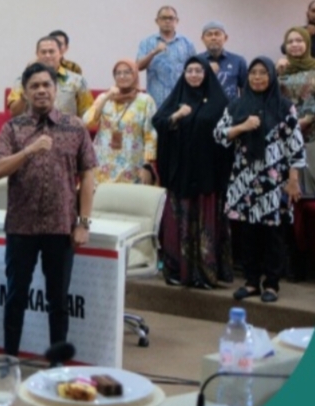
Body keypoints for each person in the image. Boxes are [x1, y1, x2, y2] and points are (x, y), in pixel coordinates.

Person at [0, 63, 96, 358]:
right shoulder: (13, 128)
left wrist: (83, 222)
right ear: (25, 93)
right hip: (21, 226)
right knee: (16, 296)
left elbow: (88, 175)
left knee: (58, 300)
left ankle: (57, 366)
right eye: (34, 86)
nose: (41, 90)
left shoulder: (75, 127)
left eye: (46, 85)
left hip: (61, 226)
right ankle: (9, 360)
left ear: (55, 89)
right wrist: (29, 150)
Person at [216, 58, 305, 303]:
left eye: (263, 73)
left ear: (271, 77)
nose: (257, 77)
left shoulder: (284, 106)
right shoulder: (237, 105)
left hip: (274, 180)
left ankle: (272, 284)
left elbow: (295, 146)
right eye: (253, 73)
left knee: (273, 234)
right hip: (244, 180)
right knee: (248, 233)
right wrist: (242, 126)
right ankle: (251, 282)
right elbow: (219, 135)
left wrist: (293, 180)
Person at [153, 57, 232, 289]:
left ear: (207, 74)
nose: (194, 75)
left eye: (199, 71)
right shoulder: (177, 97)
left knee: (205, 221)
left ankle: (205, 273)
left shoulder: (219, 102)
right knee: (180, 220)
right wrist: (177, 116)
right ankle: (178, 271)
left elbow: (227, 136)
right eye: (190, 70)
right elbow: (158, 121)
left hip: (208, 173)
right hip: (181, 173)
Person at [277, 27, 315, 280]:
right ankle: (289, 263)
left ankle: (308, 264)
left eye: (300, 40)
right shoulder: (279, 73)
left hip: (309, 145)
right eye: (290, 41)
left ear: (308, 43)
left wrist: (292, 129)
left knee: (306, 203)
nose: (295, 45)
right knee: (285, 203)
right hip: (281, 146)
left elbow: (311, 114)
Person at [82, 60, 158, 185]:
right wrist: (107, 97)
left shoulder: (145, 101)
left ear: (135, 74)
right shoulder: (104, 98)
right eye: (118, 73)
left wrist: (148, 164)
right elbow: (87, 122)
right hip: (103, 162)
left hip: (132, 163)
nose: (122, 76)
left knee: (127, 196)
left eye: (127, 72)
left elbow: (151, 135)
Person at [8, 37, 93, 119]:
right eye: (43, 52)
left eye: (51, 52)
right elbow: (14, 113)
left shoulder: (77, 81)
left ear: (61, 53)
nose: (47, 55)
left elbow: (88, 117)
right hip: (30, 128)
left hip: (66, 128)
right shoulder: (23, 81)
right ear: (37, 54)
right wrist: (24, 95)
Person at [137, 5, 197, 107]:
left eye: (171, 18)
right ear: (157, 21)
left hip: (180, 100)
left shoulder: (187, 43)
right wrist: (154, 52)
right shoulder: (147, 42)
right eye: (164, 18)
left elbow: (195, 69)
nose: (167, 21)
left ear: (176, 21)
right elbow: (138, 66)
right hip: (155, 101)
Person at [198, 21, 248, 101]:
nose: (213, 38)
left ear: (225, 38)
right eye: (209, 34)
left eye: (217, 34)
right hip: (204, 107)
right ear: (202, 39)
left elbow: (245, 89)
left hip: (231, 108)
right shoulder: (196, 62)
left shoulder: (238, 61)